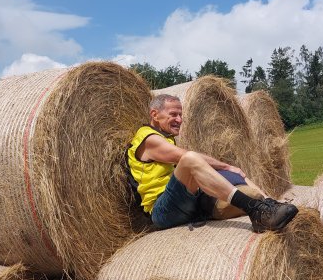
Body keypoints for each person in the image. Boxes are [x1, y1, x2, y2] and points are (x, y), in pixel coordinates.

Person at [127, 93, 298, 232]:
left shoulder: (165, 138)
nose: (179, 120)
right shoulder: (148, 139)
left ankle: (269, 205)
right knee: (191, 159)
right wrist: (224, 165)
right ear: (154, 115)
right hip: (162, 211)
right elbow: (185, 156)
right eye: (173, 114)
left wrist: (229, 170)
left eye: (180, 115)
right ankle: (255, 210)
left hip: (186, 202)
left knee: (234, 174)